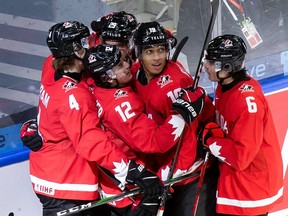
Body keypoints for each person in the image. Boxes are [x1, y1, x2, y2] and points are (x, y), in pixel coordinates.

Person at [20, 21, 164, 216]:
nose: (91, 45)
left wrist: (36, 124)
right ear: (77, 51)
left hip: (47, 172)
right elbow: (91, 141)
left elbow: (51, 109)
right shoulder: (75, 96)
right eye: (86, 42)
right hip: (67, 181)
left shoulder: (50, 65)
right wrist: (130, 170)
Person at [82, 44, 206, 215]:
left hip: (124, 185)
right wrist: (182, 113)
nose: (127, 66)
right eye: (119, 66)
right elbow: (156, 142)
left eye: (124, 61)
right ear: (107, 77)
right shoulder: (120, 105)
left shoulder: (97, 86)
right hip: (137, 191)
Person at [130, 21, 218, 216]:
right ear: (139, 53)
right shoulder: (135, 72)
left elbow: (187, 143)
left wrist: (161, 176)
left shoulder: (174, 86)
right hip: (165, 170)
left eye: (161, 50)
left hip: (190, 175)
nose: (157, 58)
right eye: (150, 51)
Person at [202, 34, 283, 215]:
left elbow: (241, 156)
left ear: (228, 67)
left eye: (211, 62)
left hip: (253, 186)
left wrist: (209, 140)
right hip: (238, 178)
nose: (206, 66)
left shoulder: (247, 102)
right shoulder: (224, 86)